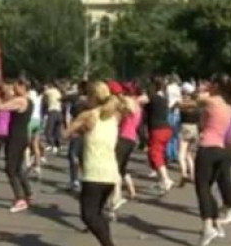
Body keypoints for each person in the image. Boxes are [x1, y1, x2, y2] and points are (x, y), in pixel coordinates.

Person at [64, 81, 127, 246]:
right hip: (111, 173)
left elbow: (65, 134)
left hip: (94, 173)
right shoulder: (115, 115)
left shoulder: (88, 115)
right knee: (98, 214)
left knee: (88, 215)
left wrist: (79, 129)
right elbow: (128, 107)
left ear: (92, 97)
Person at [193, 75, 231, 245]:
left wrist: (202, 90)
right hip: (221, 150)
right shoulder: (228, 105)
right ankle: (217, 224)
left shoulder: (212, 100)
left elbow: (196, 98)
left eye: (210, 82)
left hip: (207, 148)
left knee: (202, 188)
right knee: (209, 189)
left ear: (216, 85)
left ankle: (207, 226)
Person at [0, 79, 33, 213]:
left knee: (10, 168)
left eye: (15, 86)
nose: (13, 89)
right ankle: (27, 193)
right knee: (17, 168)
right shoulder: (27, 100)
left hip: (16, 137)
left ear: (22, 86)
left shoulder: (21, 101)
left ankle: (20, 198)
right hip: (20, 136)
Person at [109, 80, 140, 212]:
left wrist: (119, 96)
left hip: (124, 138)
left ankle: (117, 197)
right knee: (122, 167)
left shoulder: (128, 102)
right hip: (131, 138)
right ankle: (131, 190)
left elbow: (128, 109)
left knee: (114, 168)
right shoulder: (137, 104)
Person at [146, 76, 175, 193]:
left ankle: (166, 179)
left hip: (157, 129)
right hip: (165, 128)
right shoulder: (163, 99)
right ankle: (161, 180)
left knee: (155, 153)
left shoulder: (153, 98)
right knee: (158, 153)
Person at [177, 82, 200, 186]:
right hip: (195, 128)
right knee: (190, 154)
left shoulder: (183, 104)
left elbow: (175, 106)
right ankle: (193, 175)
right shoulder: (197, 106)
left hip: (185, 127)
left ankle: (184, 173)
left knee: (181, 153)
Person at [26, 83, 44, 178]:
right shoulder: (40, 96)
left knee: (26, 144)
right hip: (38, 120)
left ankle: (28, 164)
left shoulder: (30, 93)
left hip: (30, 120)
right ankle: (37, 166)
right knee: (35, 144)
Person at [44, 82, 64, 154]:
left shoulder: (50, 91)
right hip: (59, 112)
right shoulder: (59, 92)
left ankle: (52, 144)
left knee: (48, 130)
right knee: (57, 130)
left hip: (52, 112)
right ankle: (58, 145)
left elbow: (44, 93)